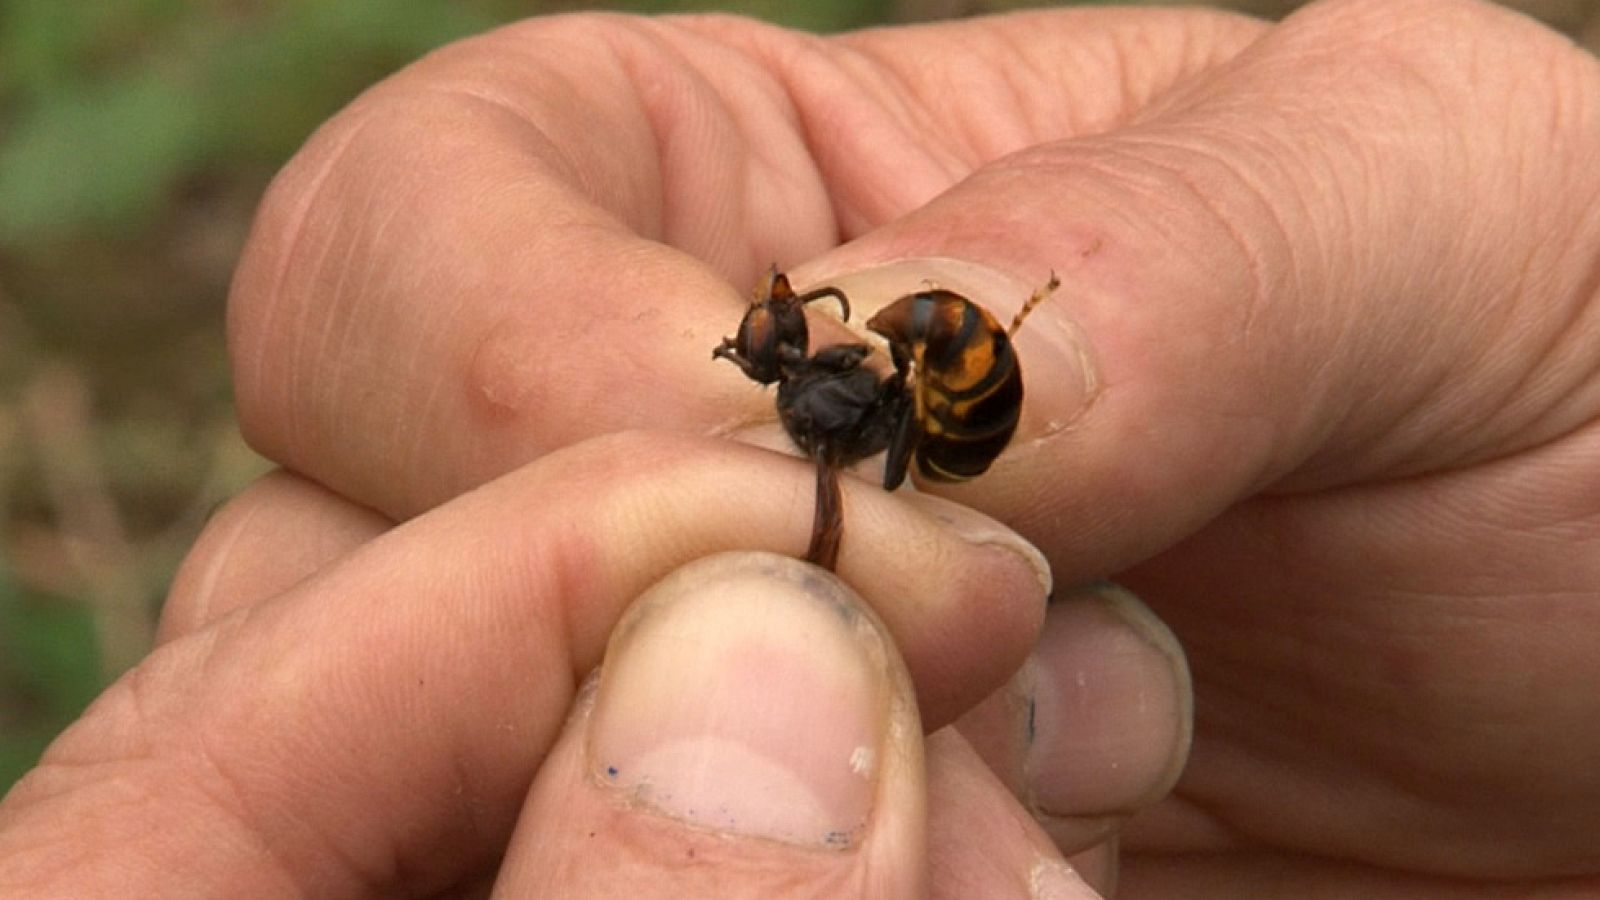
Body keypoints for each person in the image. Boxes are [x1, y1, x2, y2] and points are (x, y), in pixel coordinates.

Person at [3, 0, 1598, 895]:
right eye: (773, 341)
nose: (767, 340)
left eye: (772, 337)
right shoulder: (826, 396)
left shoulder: (865, 376)